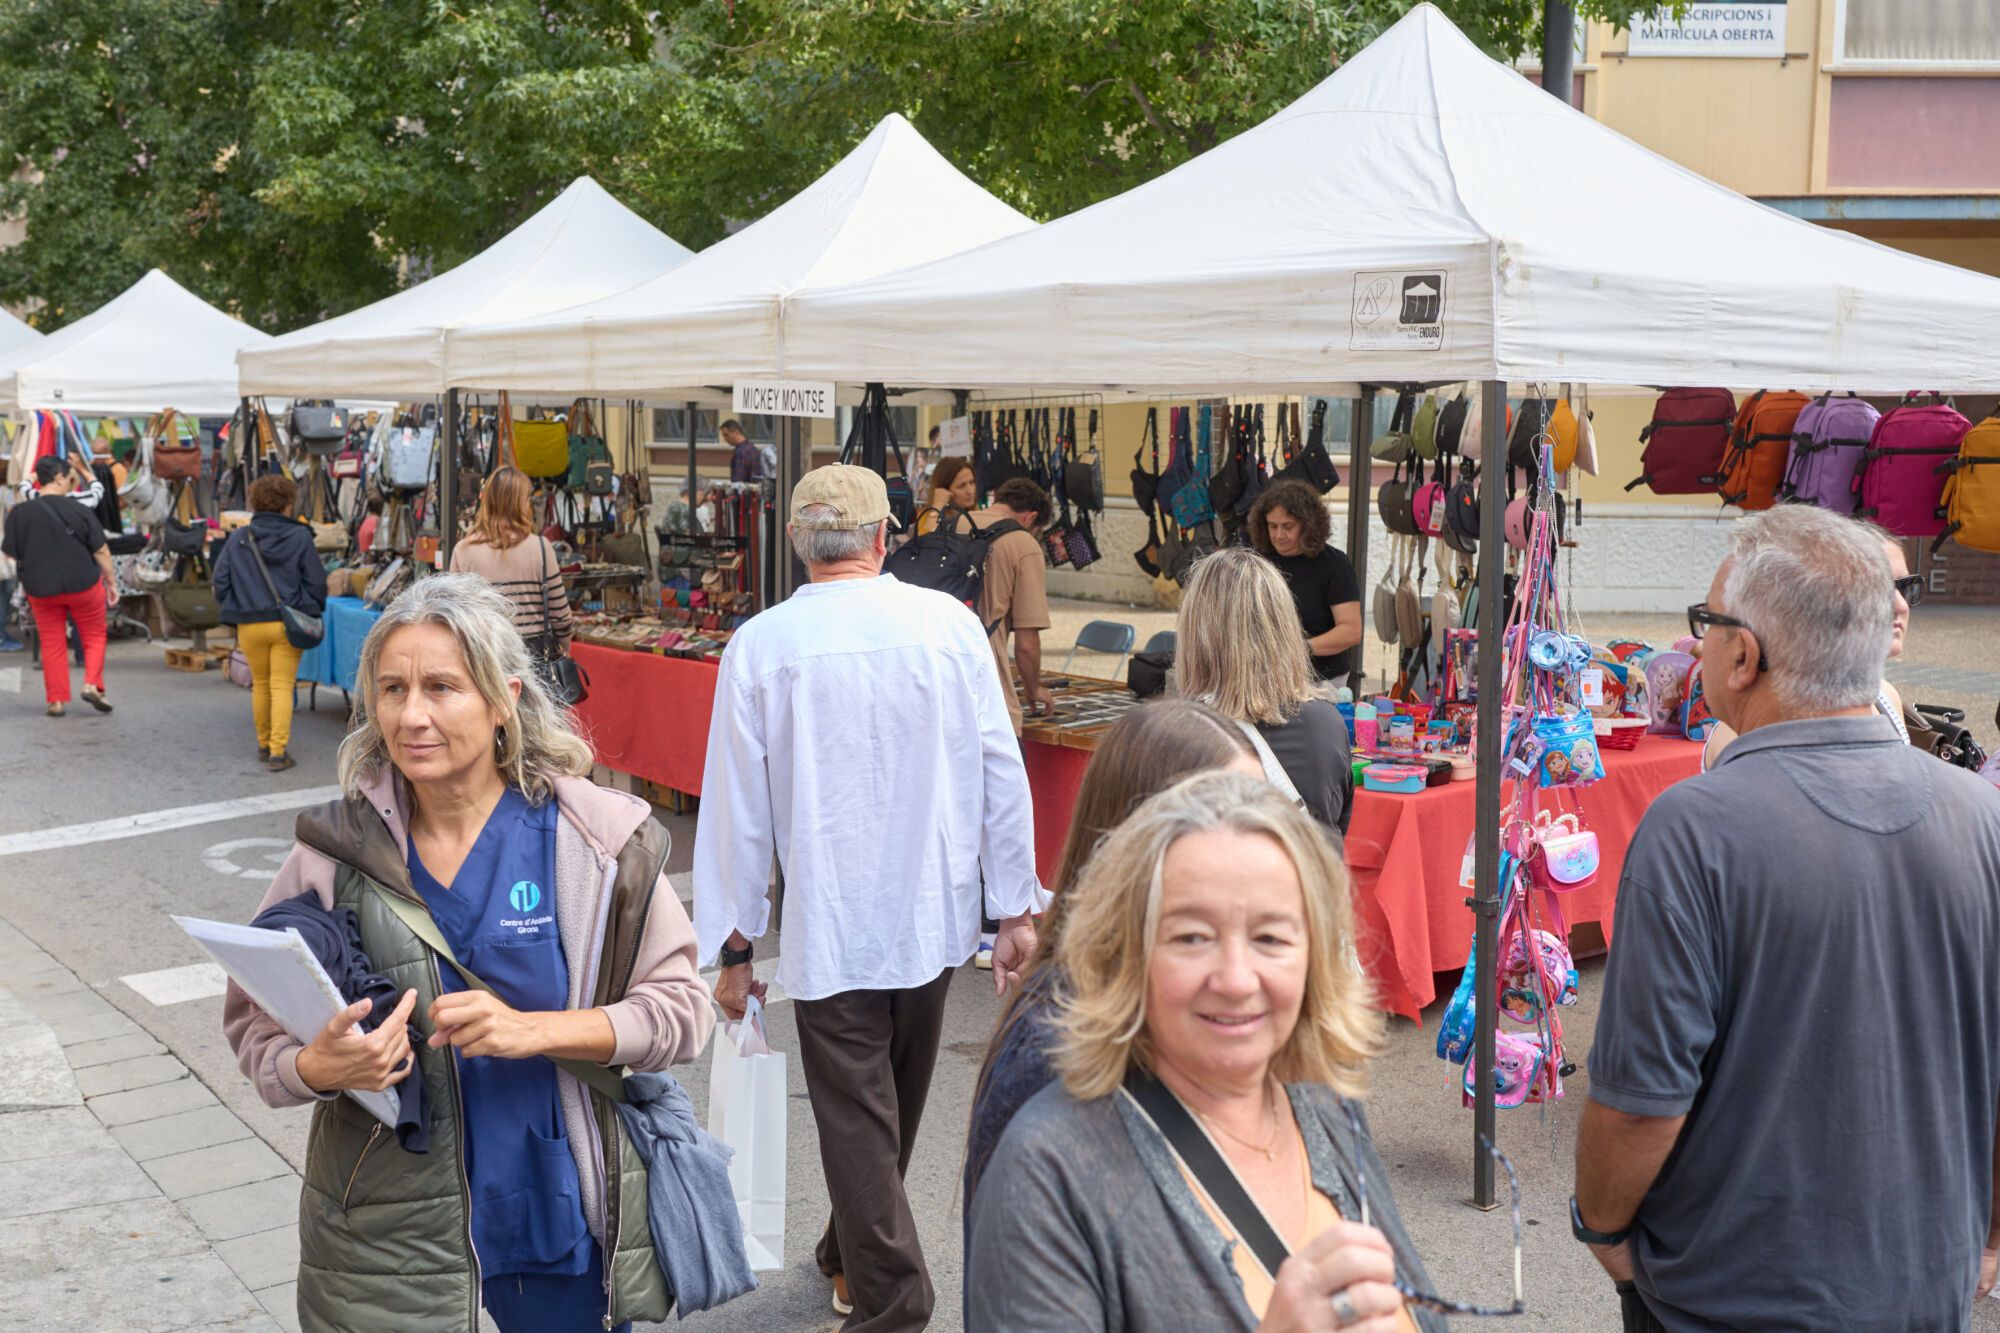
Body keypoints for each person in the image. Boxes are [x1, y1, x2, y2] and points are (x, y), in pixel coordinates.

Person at [221, 575, 714, 1333]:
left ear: (502, 697)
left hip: (556, 1220)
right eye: (392, 688)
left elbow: (682, 1014)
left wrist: (536, 1029)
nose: (411, 714)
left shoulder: (596, 844)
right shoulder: (336, 850)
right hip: (390, 1240)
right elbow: (256, 1025)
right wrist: (320, 1066)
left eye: (442, 686)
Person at [1574, 505, 2000, 1332]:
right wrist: (1983, 1234)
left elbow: (1640, 1102)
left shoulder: (1694, 826)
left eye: (1705, 623)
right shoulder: (1982, 818)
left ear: (1745, 655)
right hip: (1923, 1277)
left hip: (1728, 1293)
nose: (1696, 642)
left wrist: (1602, 1224)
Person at [693, 463, 1042, 1331]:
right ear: (885, 537)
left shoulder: (762, 644)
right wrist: (1016, 909)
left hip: (835, 918)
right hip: (932, 910)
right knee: (889, 1098)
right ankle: (858, 1257)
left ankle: (892, 1298)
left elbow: (736, 809)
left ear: (797, 542)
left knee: (859, 1111)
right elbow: (1003, 769)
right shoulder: (949, 627)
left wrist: (735, 945)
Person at [966, 770, 1442, 1332]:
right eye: (1192, 937)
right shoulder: (1048, 1172)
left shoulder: (1318, 1097)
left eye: (1270, 937)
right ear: (1126, 954)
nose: (1237, 979)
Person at [965, 698, 1259, 1219]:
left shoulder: (1238, 1008)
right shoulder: (1054, 1059)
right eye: (1223, 822)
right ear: (1133, 843)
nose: (1263, 849)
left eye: (1264, 818)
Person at [1701, 527, 1920, 767]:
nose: (1900, 605)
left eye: (1905, 586)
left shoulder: (1885, 696)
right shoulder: (1751, 722)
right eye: (1876, 590)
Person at [1178, 546, 1355, 835]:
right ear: (1284, 626)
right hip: (1308, 877)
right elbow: (1336, 825)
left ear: (1195, 635)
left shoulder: (1180, 733)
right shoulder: (1327, 723)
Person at [212, 475, 329, 771]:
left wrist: (236, 603)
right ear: (288, 504)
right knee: (281, 685)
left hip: (249, 622)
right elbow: (316, 582)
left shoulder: (240, 537)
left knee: (261, 685)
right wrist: (311, 608)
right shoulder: (301, 537)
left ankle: (264, 744)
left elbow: (220, 580)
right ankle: (279, 751)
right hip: (287, 623)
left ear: (256, 502)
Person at [1, 455, 115, 717]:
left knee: (52, 642)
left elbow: (10, 553)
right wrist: (110, 582)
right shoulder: (79, 508)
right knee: (94, 635)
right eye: (68, 479)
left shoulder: (20, 511)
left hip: (40, 587)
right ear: (60, 478)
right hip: (83, 583)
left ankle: (56, 701)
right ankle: (91, 685)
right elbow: (101, 551)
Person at [450, 467, 572, 658]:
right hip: (532, 658)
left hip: (482, 655)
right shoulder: (540, 548)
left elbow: (454, 616)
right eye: (527, 498)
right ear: (520, 503)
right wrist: (563, 649)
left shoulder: (463, 550)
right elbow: (561, 616)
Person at [1248, 479, 1363, 683]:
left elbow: (1351, 630)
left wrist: (1300, 649)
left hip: (1321, 680)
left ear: (1308, 524)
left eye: (1288, 526)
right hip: (1265, 677)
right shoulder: (1259, 561)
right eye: (1272, 526)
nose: (1278, 535)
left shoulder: (1334, 565)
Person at [973, 475, 1054, 729]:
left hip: (937, 681)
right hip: (988, 692)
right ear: (1030, 518)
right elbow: (1027, 644)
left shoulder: (952, 523)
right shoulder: (1023, 543)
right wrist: (1033, 689)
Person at [913, 455, 978, 535]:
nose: (970, 491)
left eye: (972, 482)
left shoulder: (977, 516)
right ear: (944, 489)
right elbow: (924, 541)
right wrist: (937, 506)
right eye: (961, 486)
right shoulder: (925, 517)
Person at [723, 419, 765, 483]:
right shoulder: (754, 449)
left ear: (736, 432)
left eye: (726, 435)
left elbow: (737, 481)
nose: (725, 439)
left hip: (745, 491)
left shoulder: (740, 452)